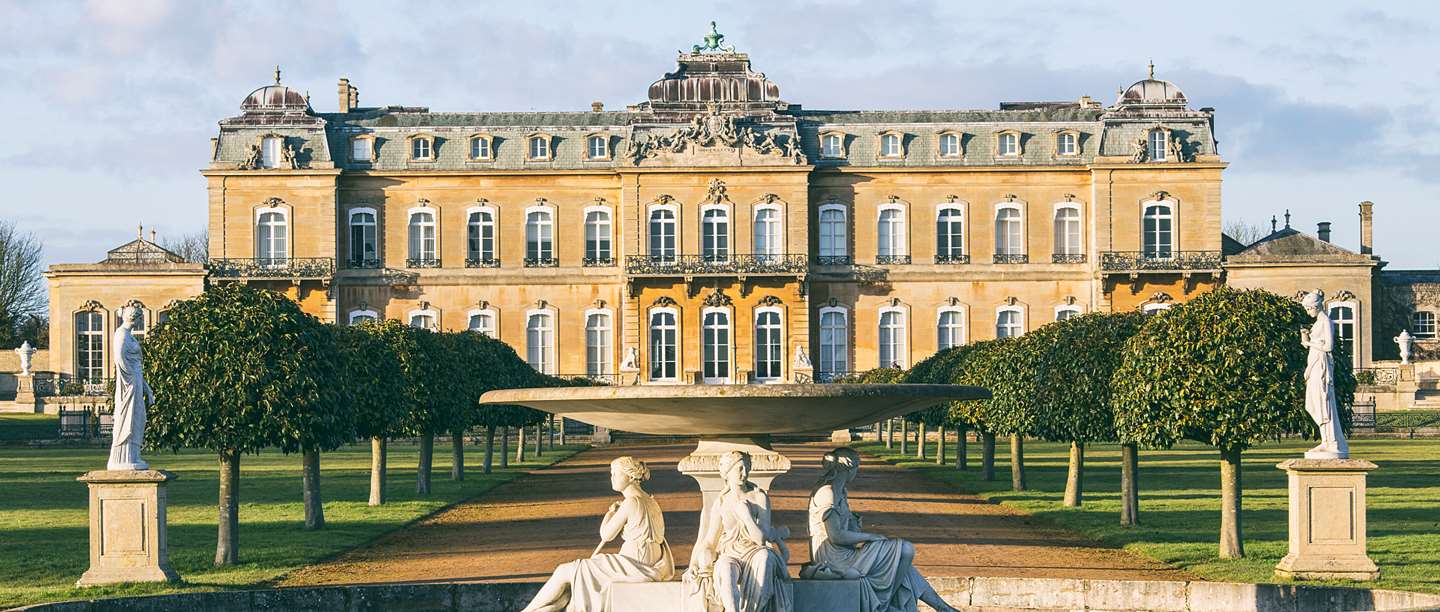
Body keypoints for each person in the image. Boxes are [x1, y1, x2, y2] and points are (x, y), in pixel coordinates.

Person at [801, 448, 958, 612]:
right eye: (857, 466)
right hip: (833, 559)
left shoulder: (841, 492)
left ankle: (944, 608)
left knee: (900, 564)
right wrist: (870, 536)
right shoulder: (827, 492)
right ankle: (887, 603)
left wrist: (855, 524)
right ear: (849, 467)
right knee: (904, 549)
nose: (857, 471)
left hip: (846, 554)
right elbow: (836, 536)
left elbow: (843, 531)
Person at [522, 456, 675, 612]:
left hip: (633, 566)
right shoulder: (651, 501)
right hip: (648, 563)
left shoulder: (631, 502)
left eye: (615, 473)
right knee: (573, 582)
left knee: (564, 571)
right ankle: (549, 607)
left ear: (630, 476)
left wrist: (610, 512)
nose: (612, 478)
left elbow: (606, 536)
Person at [685, 450, 792, 612]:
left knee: (765, 558)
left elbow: (761, 540)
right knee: (725, 567)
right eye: (739, 469)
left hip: (755, 551)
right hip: (730, 552)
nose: (745, 473)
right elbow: (709, 540)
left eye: (747, 468)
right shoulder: (721, 502)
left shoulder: (759, 497)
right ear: (727, 473)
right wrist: (694, 563)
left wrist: (746, 516)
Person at [1300, 290, 1349, 459]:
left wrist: (1309, 342)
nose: (1308, 312)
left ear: (1316, 306)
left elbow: (1329, 346)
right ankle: (1325, 440)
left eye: (1308, 309)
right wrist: (1307, 341)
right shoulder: (1318, 323)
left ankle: (1331, 442)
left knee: (1323, 403)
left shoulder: (1326, 321)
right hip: (1315, 363)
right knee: (1313, 403)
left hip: (1321, 365)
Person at [108, 306, 153, 471]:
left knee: (138, 419)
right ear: (135, 318)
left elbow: (137, 366)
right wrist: (131, 377)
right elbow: (119, 357)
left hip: (136, 382)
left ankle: (133, 455)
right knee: (127, 418)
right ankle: (123, 457)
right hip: (129, 385)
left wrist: (146, 388)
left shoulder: (129, 336)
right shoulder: (121, 334)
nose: (141, 321)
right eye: (140, 318)